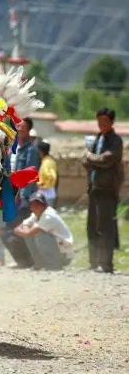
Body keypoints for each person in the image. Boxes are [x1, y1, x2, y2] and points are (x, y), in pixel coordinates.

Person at [81, 108, 124, 273]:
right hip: (94, 188)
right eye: (99, 121)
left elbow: (107, 160)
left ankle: (105, 264)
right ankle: (93, 262)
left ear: (111, 122)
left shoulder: (115, 141)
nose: (101, 124)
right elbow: (83, 159)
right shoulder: (97, 139)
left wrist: (91, 158)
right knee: (92, 225)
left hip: (107, 190)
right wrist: (92, 159)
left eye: (105, 121)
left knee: (105, 227)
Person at [1, 117, 40, 268]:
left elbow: (30, 174)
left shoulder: (31, 150)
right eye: (17, 126)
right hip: (11, 195)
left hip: (22, 198)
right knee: (10, 228)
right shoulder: (12, 148)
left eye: (22, 127)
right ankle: (22, 261)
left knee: (19, 228)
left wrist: (22, 196)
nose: (19, 129)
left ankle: (28, 261)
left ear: (29, 130)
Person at [13, 192, 74, 270]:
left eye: (38, 204)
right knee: (31, 233)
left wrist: (24, 231)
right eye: (33, 204)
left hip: (65, 254)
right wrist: (25, 231)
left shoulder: (48, 215)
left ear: (44, 205)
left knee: (39, 234)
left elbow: (27, 232)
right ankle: (40, 263)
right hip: (58, 248)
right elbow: (20, 227)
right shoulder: (36, 214)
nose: (35, 207)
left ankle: (54, 265)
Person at [36, 140, 58, 207]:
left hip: (47, 194)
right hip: (45, 193)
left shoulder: (47, 163)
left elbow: (52, 176)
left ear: (41, 152)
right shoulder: (45, 161)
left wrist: (45, 187)